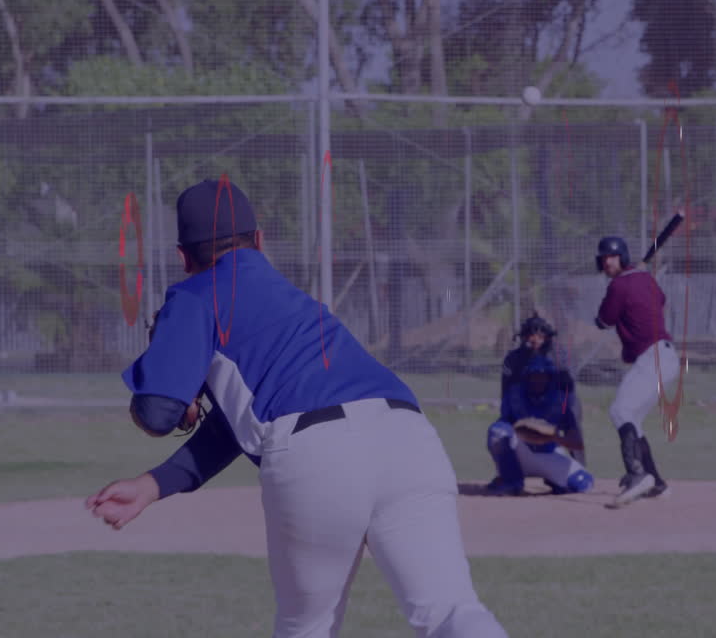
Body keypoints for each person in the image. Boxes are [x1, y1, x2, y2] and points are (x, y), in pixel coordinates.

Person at [85, 178, 508, 638]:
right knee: (450, 610)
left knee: (307, 626)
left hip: (315, 456)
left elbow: (157, 413)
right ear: (260, 241)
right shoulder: (297, 304)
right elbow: (240, 422)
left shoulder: (193, 295)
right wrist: (154, 484)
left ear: (184, 257)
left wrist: (170, 373)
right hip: (407, 435)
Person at [593, 235, 680, 506]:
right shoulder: (646, 280)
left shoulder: (618, 286)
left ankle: (637, 474)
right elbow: (660, 300)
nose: (608, 262)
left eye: (613, 257)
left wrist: (626, 284)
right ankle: (655, 482)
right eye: (605, 258)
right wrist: (639, 279)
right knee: (633, 419)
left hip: (652, 357)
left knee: (620, 411)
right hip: (665, 357)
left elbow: (604, 320)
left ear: (623, 258)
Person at [484, 346, 592, 496]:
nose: (538, 380)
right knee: (498, 432)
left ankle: (555, 482)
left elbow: (577, 442)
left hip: (547, 453)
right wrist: (524, 431)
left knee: (583, 483)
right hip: (520, 451)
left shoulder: (560, 400)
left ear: (550, 378)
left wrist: (553, 437)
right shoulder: (515, 395)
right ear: (526, 377)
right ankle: (511, 481)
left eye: (543, 376)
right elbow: (502, 427)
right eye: (533, 375)